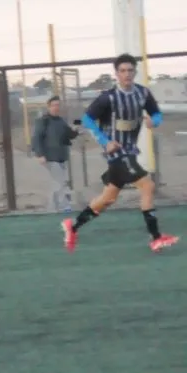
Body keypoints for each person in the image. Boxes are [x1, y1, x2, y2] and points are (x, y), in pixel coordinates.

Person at [62, 53, 177, 252]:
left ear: (135, 72)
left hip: (130, 151)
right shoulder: (108, 97)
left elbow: (156, 113)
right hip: (117, 153)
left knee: (108, 198)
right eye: (122, 71)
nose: (127, 74)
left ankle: (72, 227)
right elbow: (87, 120)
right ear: (116, 74)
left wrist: (154, 121)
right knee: (148, 185)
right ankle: (156, 238)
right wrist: (105, 142)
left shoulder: (142, 93)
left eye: (130, 70)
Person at [30, 96, 78, 213]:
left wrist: (76, 129)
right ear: (49, 107)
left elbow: (69, 135)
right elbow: (37, 138)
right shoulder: (43, 121)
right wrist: (40, 154)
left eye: (58, 105)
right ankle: (64, 206)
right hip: (50, 157)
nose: (56, 107)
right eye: (54, 105)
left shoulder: (61, 121)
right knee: (60, 181)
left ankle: (52, 207)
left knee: (57, 182)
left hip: (61, 156)